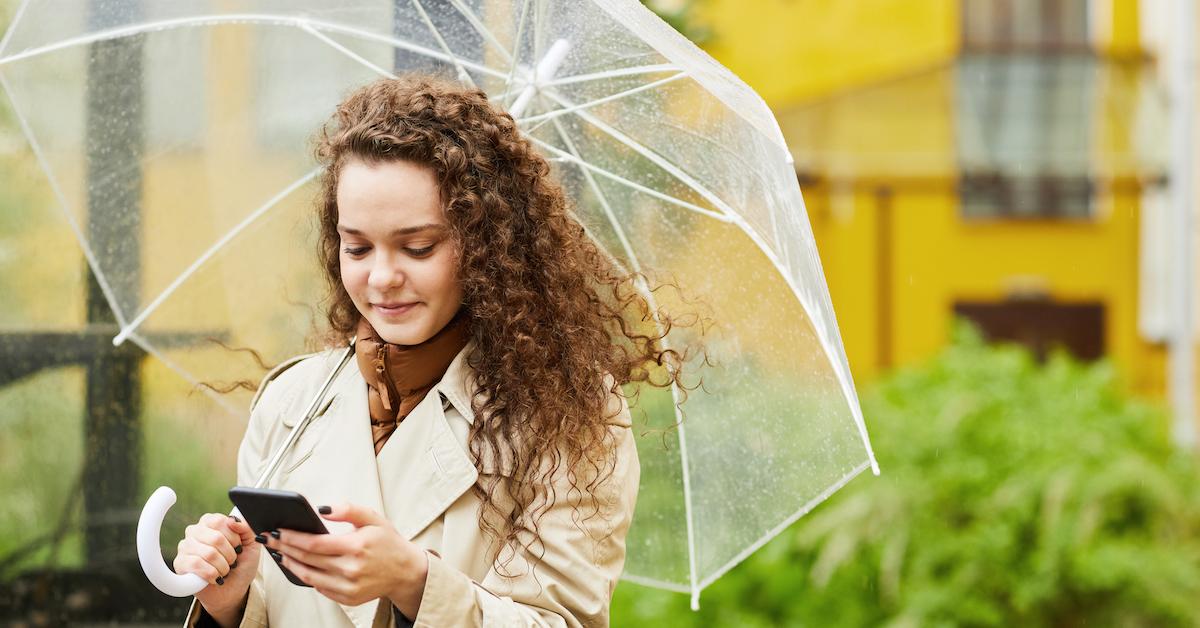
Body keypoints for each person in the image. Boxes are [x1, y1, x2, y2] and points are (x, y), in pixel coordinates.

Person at [171, 75, 692, 627]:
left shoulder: (567, 415)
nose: (382, 277)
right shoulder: (292, 401)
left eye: (418, 247)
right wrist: (229, 603)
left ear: (485, 242)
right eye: (357, 247)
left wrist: (415, 582)